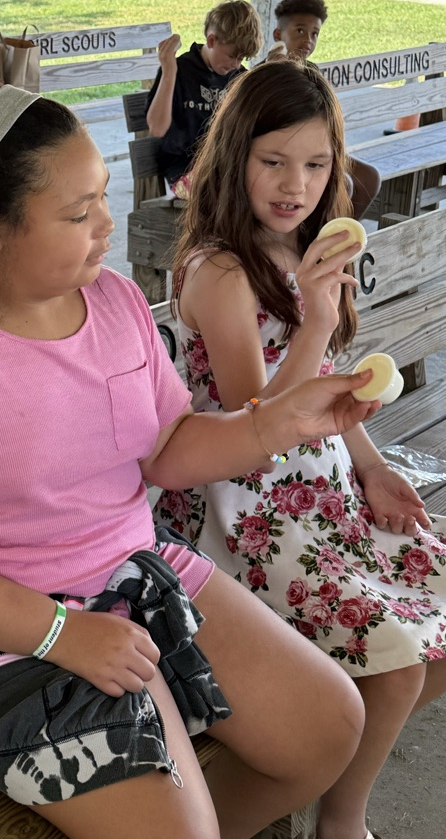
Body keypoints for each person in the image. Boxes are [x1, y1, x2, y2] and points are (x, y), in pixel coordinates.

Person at [0, 80, 386, 839]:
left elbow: (166, 448)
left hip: (128, 576)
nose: (104, 225)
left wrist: (277, 422)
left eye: (102, 197)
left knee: (328, 724)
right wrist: (61, 632)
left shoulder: (116, 301)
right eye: (76, 212)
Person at [153, 58, 446, 839]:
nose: (296, 184)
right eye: (274, 161)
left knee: (437, 622)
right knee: (398, 662)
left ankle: (330, 788)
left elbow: (334, 395)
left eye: (317, 165)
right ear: (235, 155)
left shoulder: (307, 250)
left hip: (326, 492)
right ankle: (341, 821)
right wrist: (315, 319)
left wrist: (378, 470)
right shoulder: (220, 270)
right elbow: (262, 426)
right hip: (242, 512)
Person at [273, 0, 381, 219]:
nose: (308, 40)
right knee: (343, 184)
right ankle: (313, 240)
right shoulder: (268, 73)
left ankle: (341, 235)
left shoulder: (313, 72)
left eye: (315, 34)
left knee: (369, 177)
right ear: (277, 34)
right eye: (300, 31)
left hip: (318, 150)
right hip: (288, 156)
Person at [145, 0, 262, 199]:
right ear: (211, 40)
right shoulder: (179, 71)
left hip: (226, 168)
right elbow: (157, 128)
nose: (236, 64)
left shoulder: (240, 78)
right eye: (232, 55)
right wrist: (169, 73)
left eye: (242, 59)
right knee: (227, 195)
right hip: (186, 170)